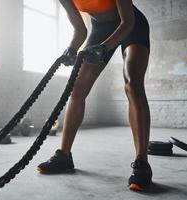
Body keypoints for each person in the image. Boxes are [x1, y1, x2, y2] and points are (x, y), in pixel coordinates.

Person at [37, 0, 152, 192]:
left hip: (131, 26)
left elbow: (127, 22)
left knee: (133, 83)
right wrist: (72, 48)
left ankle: (142, 163)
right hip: (100, 29)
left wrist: (104, 47)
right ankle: (64, 156)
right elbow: (80, 30)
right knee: (77, 88)